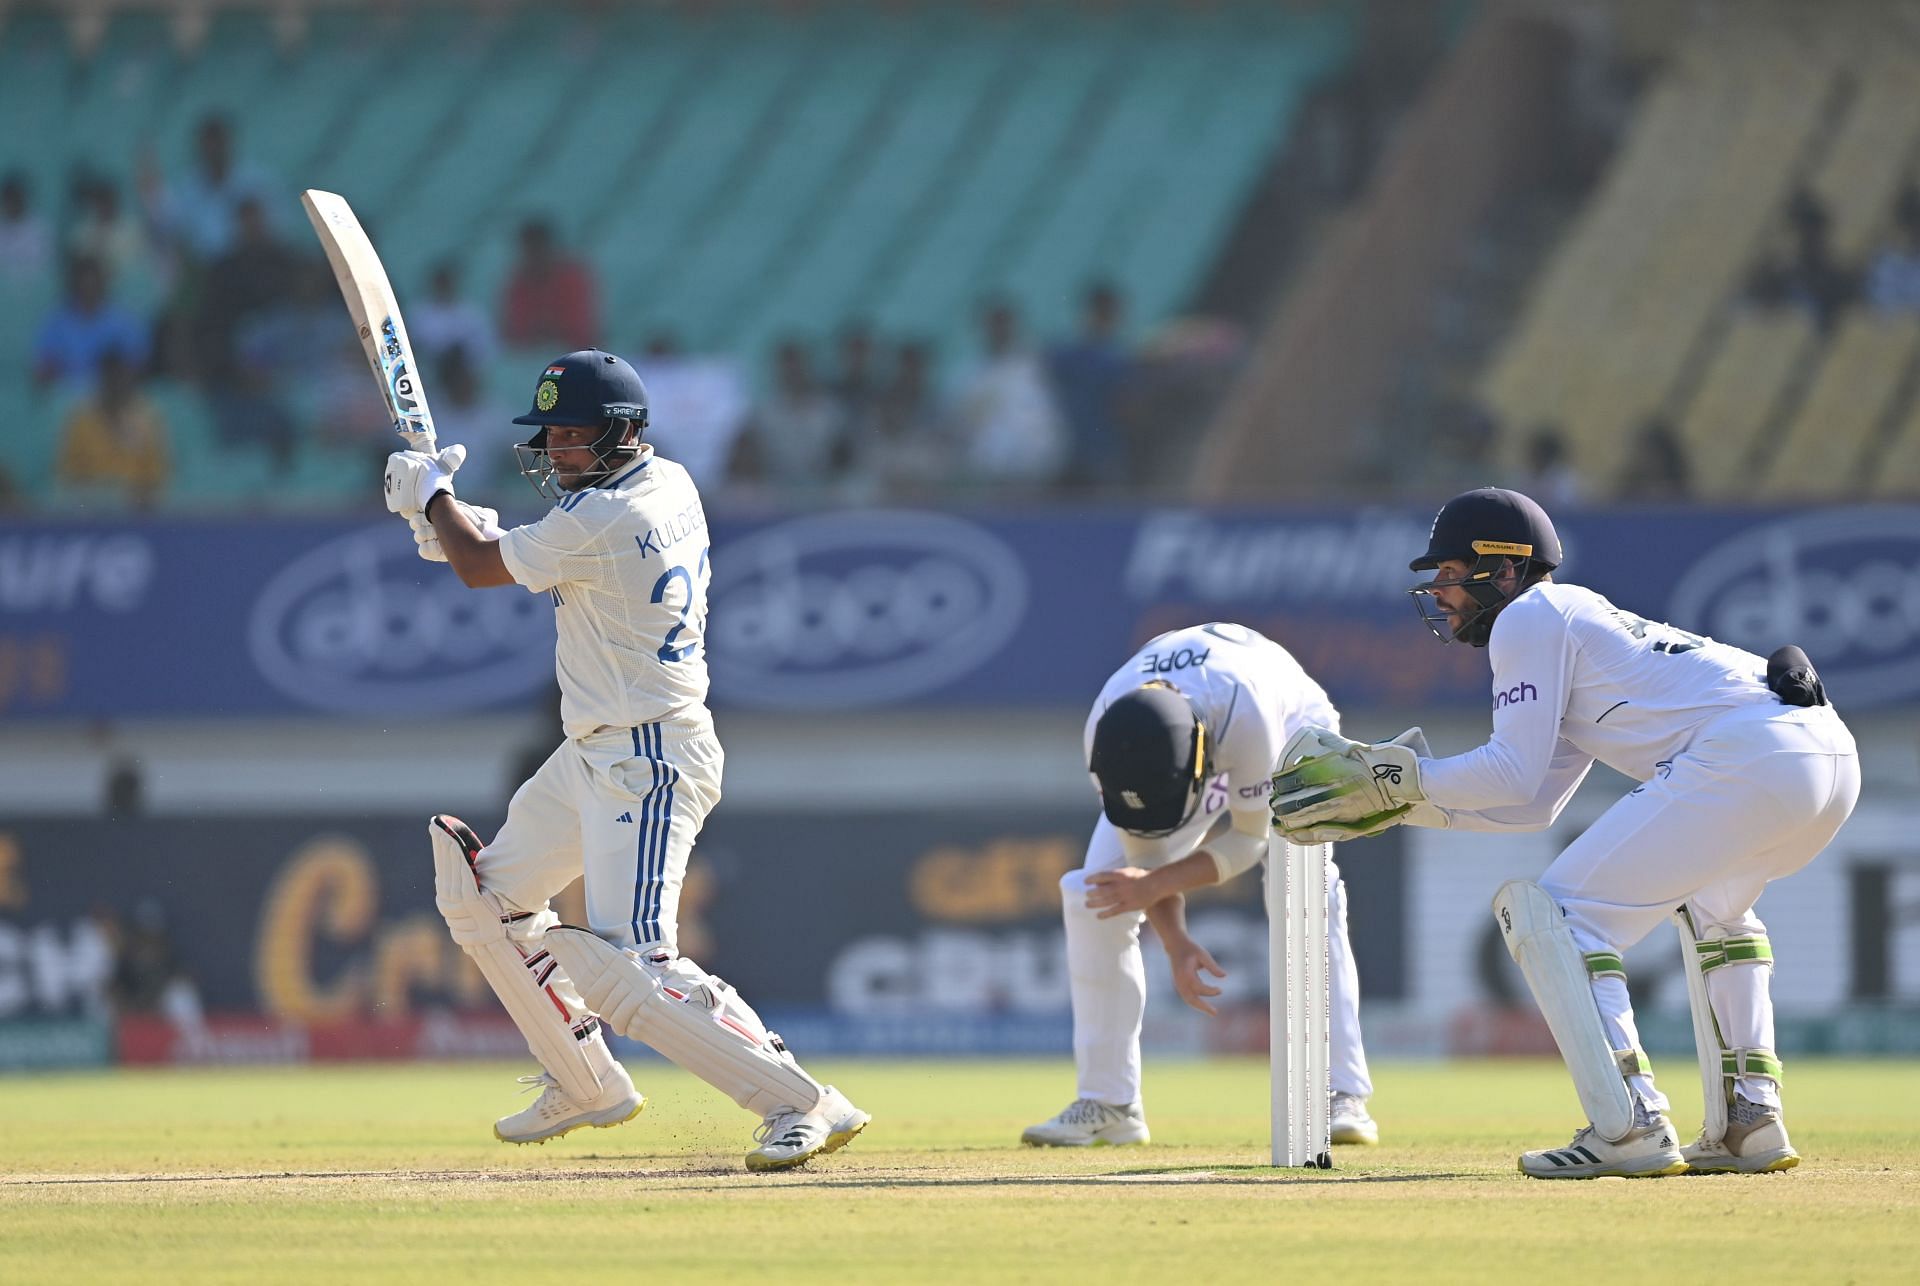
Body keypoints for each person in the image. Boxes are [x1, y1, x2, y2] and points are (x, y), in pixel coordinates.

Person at [1270, 487, 1859, 1179]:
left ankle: (1629, 1125)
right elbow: (1530, 802)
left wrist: (1400, 779)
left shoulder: (1531, 617)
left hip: (1751, 756)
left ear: (1507, 569)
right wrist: (1401, 802)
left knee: (1561, 918)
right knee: (1715, 910)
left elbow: (1509, 773)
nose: (1442, 593)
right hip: (1824, 757)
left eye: (1454, 575)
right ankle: (1749, 1123)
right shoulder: (1571, 621)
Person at [383, 348, 869, 1172]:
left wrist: (432, 498)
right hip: (601, 748)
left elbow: (479, 564)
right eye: (549, 435)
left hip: (648, 756)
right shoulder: (666, 482)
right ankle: (586, 1080)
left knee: (632, 966)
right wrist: (446, 517)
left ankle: (801, 1101)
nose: (555, 451)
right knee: (484, 900)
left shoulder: (603, 520)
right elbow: (512, 552)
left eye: (570, 435)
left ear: (620, 434)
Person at [1021, 622, 1379, 1149]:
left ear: (1199, 765)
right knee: (1091, 892)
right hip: (1193, 730)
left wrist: (1156, 885)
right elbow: (1144, 864)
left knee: (1300, 880)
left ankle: (1340, 1093)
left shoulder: (1248, 716)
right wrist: (1176, 941)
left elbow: (1252, 838)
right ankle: (1110, 1103)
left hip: (1290, 722)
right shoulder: (1106, 734)